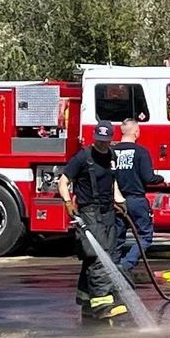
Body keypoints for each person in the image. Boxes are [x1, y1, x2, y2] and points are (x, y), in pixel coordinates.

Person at [58, 119, 126, 320]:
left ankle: (86, 301)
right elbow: (63, 181)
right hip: (89, 212)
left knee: (107, 254)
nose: (102, 143)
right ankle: (102, 304)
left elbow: (112, 181)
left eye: (105, 140)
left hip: (108, 212)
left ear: (111, 139)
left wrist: (119, 200)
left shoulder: (112, 156)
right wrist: (68, 202)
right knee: (97, 257)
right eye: (99, 139)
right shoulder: (82, 157)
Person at [113, 119, 164, 276]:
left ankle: (113, 269)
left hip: (116, 201)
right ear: (136, 132)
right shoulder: (141, 152)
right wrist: (161, 179)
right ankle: (126, 265)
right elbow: (148, 177)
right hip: (136, 200)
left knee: (117, 238)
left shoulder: (111, 152)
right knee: (145, 235)